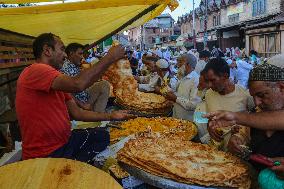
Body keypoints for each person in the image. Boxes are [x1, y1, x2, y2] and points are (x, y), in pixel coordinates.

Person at [16, 33, 134, 162]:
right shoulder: (36, 70)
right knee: (99, 146)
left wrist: (111, 116)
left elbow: (78, 113)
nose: (65, 55)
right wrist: (110, 57)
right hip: (47, 153)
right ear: (47, 51)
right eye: (62, 49)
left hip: (64, 142)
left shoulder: (56, 79)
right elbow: (78, 84)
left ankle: (76, 162)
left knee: (103, 136)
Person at [205, 54, 284, 171]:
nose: (257, 102)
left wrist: (234, 116)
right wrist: (237, 139)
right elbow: (245, 130)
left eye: (262, 95)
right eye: (254, 97)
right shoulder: (256, 112)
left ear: (281, 88)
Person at [202, 58, 254, 151]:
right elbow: (209, 120)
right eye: (207, 80)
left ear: (225, 76)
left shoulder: (244, 95)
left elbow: (252, 123)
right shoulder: (209, 94)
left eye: (213, 80)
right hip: (216, 150)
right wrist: (210, 128)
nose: (209, 85)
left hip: (236, 152)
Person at [60, 43, 110, 112]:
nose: (82, 57)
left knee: (104, 85)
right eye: (80, 54)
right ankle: (97, 117)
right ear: (71, 54)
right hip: (78, 102)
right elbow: (65, 92)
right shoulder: (65, 67)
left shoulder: (73, 65)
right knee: (104, 85)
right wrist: (82, 105)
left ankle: (97, 116)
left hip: (84, 96)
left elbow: (83, 84)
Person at [164, 54, 199, 121]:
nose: (178, 64)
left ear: (188, 64)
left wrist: (175, 98)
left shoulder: (195, 80)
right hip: (177, 116)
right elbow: (177, 91)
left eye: (180, 62)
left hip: (187, 120)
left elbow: (193, 105)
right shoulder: (183, 76)